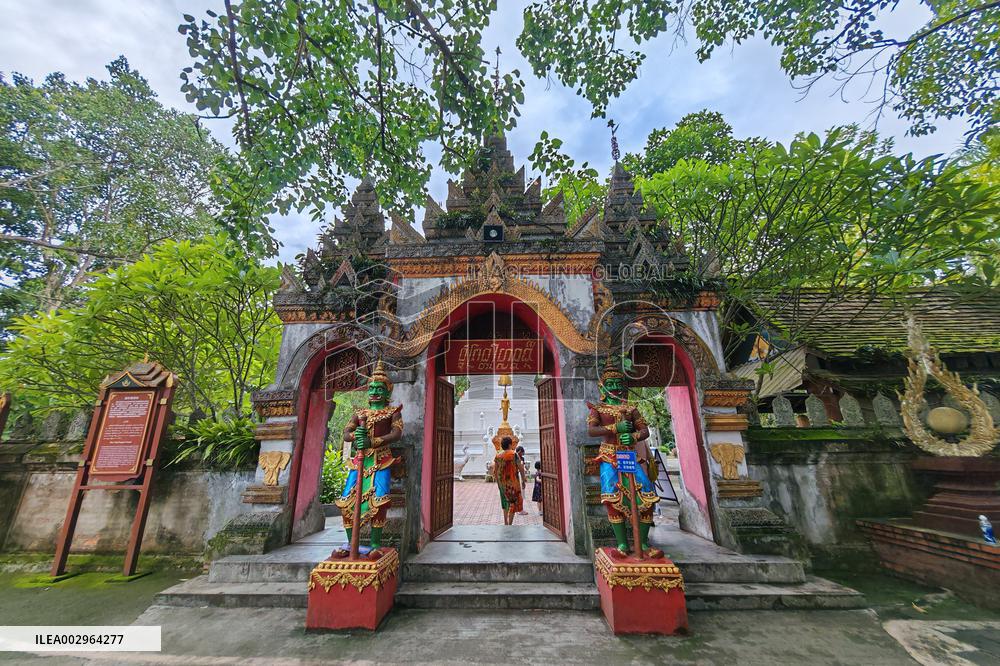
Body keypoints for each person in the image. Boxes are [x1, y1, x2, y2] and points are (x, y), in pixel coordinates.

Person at [586, 358, 663, 558]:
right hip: (609, 455)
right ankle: (622, 544)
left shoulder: (631, 408)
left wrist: (635, 436)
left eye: (617, 384)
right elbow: (592, 431)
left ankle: (643, 544)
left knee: (647, 496)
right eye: (610, 384)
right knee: (612, 498)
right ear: (602, 387)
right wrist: (615, 428)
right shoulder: (598, 409)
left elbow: (644, 431)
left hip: (630, 456)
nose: (614, 388)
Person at [332, 360, 402, 559]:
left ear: (387, 391)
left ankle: (375, 544)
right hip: (359, 462)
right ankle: (350, 542)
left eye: (379, 388)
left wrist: (374, 441)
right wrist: (356, 436)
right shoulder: (360, 413)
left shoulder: (393, 412)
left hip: (381, 460)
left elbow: (396, 434)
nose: (374, 391)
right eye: (371, 388)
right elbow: (346, 433)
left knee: (379, 501)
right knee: (346, 500)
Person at [494, 437, 525, 525]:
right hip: (513, 484)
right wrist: (523, 480)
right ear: (510, 444)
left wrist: (498, 483)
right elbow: (521, 468)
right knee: (513, 503)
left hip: (502, 484)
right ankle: (510, 524)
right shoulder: (514, 454)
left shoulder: (498, 456)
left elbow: (495, 471)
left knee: (505, 502)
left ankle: (505, 522)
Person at [515, 445, 529, 515]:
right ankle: (519, 509)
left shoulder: (522, 458)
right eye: (522, 452)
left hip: (520, 476)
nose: (523, 454)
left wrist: (524, 479)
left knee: (521, 494)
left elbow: (522, 469)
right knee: (518, 494)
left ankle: (520, 508)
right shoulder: (515, 458)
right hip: (517, 476)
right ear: (520, 451)